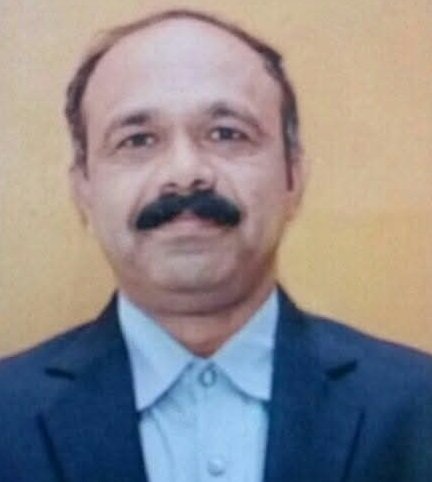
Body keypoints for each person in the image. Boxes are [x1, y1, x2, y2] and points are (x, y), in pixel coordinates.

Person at [0, 9, 431, 482]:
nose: (185, 173)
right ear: (83, 189)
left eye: (227, 134)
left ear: (293, 177)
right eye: (138, 140)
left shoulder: (417, 406)